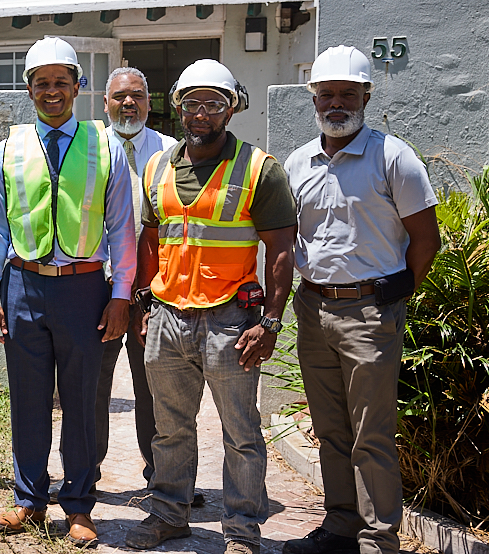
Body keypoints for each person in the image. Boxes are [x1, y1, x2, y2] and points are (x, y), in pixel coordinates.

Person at [124, 60, 297, 554]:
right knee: (169, 428)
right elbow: (151, 240)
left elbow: (281, 250)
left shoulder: (260, 169)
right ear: (178, 107)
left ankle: (242, 531)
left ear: (232, 109)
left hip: (230, 319)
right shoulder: (158, 166)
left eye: (214, 104)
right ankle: (169, 514)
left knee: (241, 432)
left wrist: (270, 321)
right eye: (193, 103)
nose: (202, 113)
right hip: (168, 316)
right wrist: (142, 302)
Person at [0, 37, 136, 548]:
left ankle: (79, 506)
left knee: (84, 401)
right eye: (41, 83)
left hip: (85, 288)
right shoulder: (8, 149)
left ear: (77, 87)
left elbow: (121, 228)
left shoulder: (106, 145)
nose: (52, 92)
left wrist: (122, 296)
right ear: (29, 89)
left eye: (60, 82)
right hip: (23, 285)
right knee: (27, 399)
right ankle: (28, 498)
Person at [281, 46, 440, 554]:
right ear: (313, 99)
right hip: (313, 309)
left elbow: (426, 237)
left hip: (371, 312)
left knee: (371, 434)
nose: (336, 103)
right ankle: (341, 527)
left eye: (348, 93)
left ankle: (378, 540)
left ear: (366, 96)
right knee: (330, 430)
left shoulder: (393, 157)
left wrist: (400, 289)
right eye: (326, 94)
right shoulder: (298, 161)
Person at [94, 66, 177, 495]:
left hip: (153, 288)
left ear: (150, 102)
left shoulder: (171, 151)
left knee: (156, 385)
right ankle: (85, 475)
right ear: (104, 103)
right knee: (93, 384)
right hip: (99, 286)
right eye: (120, 97)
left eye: (138, 96)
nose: (129, 103)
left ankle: (164, 476)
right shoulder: (88, 150)